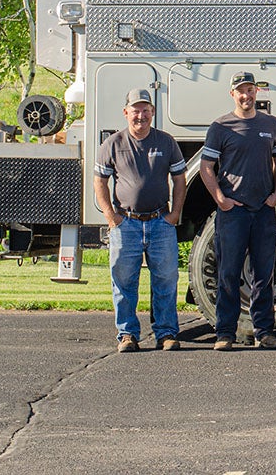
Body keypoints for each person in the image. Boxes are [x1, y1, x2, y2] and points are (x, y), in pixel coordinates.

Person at [200, 72, 276, 351]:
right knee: (229, 272)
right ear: (232, 94)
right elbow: (206, 167)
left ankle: (264, 332)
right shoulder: (220, 126)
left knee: (264, 273)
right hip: (233, 212)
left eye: (250, 90)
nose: (246, 95)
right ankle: (225, 333)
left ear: (257, 93)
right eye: (240, 91)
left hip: (263, 210)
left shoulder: (271, 124)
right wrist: (220, 199)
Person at [94, 88, 186, 353]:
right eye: (135, 110)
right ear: (126, 112)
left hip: (160, 222)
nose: (141, 115)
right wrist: (111, 217)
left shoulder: (166, 142)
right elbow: (100, 180)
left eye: (146, 110)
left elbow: (180, 179)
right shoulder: (112, 144)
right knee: (124, 281)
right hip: (127, 224)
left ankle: (166, 334)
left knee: (166, 280)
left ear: (153, 113)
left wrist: (175, 214)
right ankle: (127, 335)